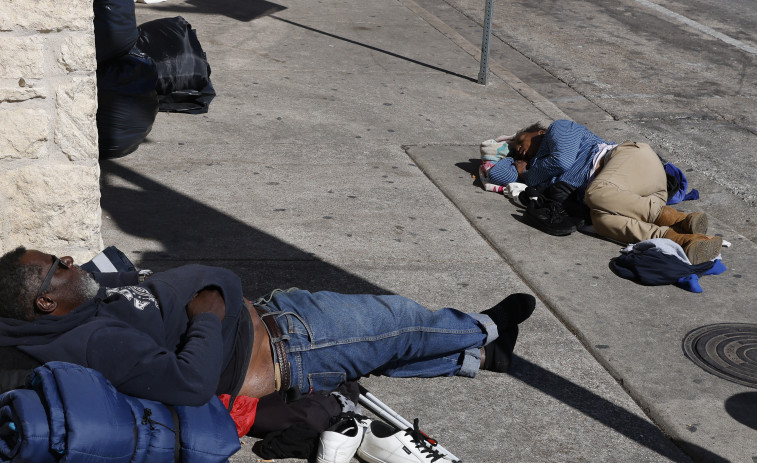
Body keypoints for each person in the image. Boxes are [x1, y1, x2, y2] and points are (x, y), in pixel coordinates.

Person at [0, 246, 535, 406]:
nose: (71, 260)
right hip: (287, 344)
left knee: (382, 350)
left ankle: (484, 358)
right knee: (397, 324)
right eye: (60, 266)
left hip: (275, 316)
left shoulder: (81, 309)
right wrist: (208, 314)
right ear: (47, 301)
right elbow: (187, 384)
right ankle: (483, 327)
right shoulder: (96, 340)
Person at [486, 119, 722, 265]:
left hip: (633, 160)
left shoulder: (559, 128)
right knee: (601, 220)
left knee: (595, 194)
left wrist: (526, 172)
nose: (519, 152)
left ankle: (679, 219)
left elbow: (562, 161)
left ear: (537, 133)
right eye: (516, 154)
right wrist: (511, 161)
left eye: (521, 143)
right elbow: (499, 176)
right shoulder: (537, 167)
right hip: (632, 193)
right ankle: (681, 239)